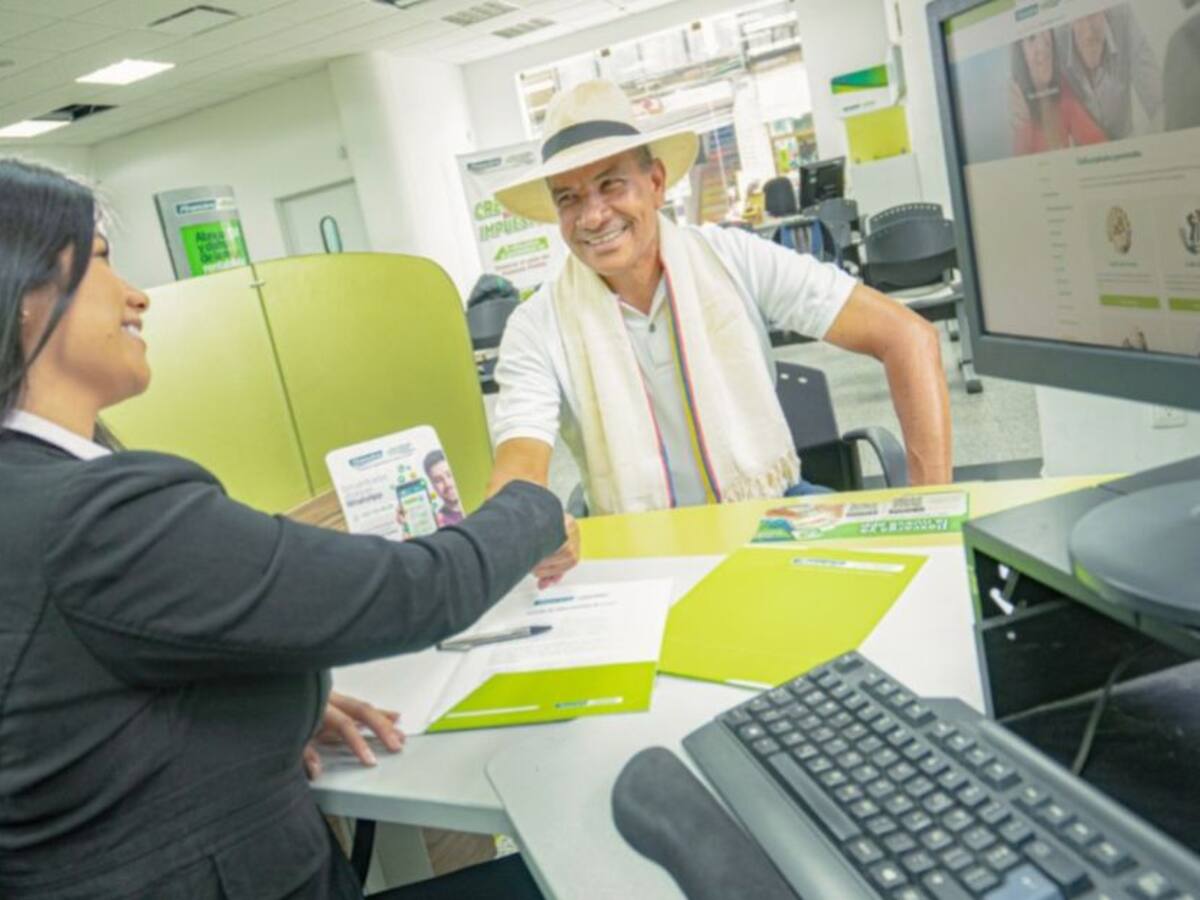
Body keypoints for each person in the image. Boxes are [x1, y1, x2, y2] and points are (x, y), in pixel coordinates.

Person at [0, 159, 563, 899]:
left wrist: (269, 707)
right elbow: (416, 591)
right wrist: (534, 506)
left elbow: (72, 703)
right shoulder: (95, 516)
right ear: (22, 298)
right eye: (101, 260)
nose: (136, 293)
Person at [488, 80, 951, 555]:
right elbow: (520, 455)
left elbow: (908, 337)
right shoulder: (537, 324)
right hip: (635, 538)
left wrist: (931, 514)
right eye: (568, 198)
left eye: (611, 184)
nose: (592, 216)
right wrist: (521, 526)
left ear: (655, 182)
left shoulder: (731, 258)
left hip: (770, 513)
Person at [1055, 7, 1162, 141]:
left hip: (1126, 143)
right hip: (1085, 155)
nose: (1089, 33)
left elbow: (1159, 102)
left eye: (1093, 15)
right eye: (1080, 19)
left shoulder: (1122, 17)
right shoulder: (1055, 37)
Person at [1010, 27, 1108, 154]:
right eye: (1031, 38)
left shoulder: (1061, 88)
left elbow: (1095, 139)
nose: (1043, 46)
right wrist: (1023, 126)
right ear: (1020, 53)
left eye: (1046, 33)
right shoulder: (1015, 104)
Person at [424, 448, 465, 527]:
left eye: (449, 474)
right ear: (432, 485)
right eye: (438, 480)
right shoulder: (439, 524)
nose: (447, 484)